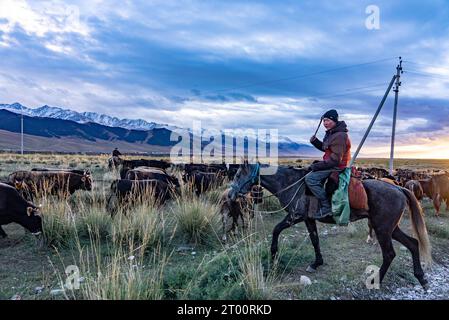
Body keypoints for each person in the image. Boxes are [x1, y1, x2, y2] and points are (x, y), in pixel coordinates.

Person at [305, 109, 351, 219]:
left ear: (334, 120)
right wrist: (315, 142)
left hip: (337, 166)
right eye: (324, 121)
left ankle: (326, 206)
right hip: (332, 163)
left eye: (328, 120)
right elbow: (326, 149)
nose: (325, 123)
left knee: (310, 179)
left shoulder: (339, 135)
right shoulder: (332, 133)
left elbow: (335, 160)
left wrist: (316, 166)